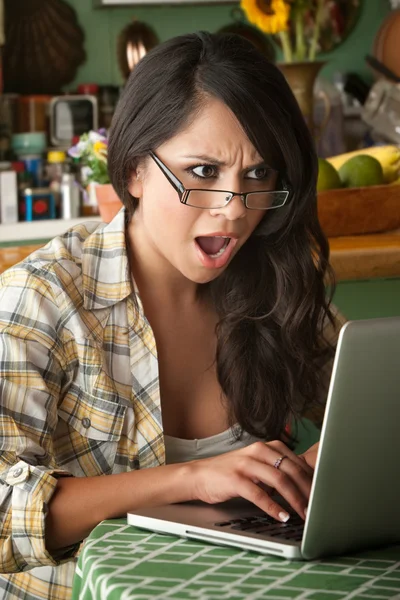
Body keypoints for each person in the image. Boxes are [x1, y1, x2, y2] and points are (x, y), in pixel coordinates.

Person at [0, 32, 345, 600]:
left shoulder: (273, 284)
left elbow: (361, 410)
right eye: (204, 172)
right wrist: (192, 478)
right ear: (135, 169)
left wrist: (324, 463)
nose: (233, 210)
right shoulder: (43, 298)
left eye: (257, 176)